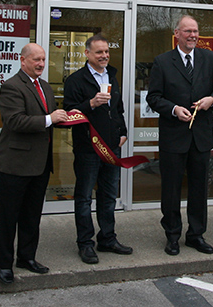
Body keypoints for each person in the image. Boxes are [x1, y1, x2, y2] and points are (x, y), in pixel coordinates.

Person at [146, 15, 213, 256]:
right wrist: (173, 109)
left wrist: (211, 100)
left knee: (199, 189)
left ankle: (196, 235)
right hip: (174, 136)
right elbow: (153, 97)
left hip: (201, 137)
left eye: (196, 31)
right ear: (177, 34)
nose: (193, 35)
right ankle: (172, 236)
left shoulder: (209, 58)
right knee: (171, 190)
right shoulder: (162, 62)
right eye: (188, 31)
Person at [0, 42, 69, 284]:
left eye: (43, 60)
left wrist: (75, 115)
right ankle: (5, 265)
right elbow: (15, 121)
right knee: (8, 218)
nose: (41, 64)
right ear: (22, 60)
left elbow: (54, 117)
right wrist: (49, 118)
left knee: (31, 216)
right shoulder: (11, 86)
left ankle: (26, 257)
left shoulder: (45, 87)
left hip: (39, 165)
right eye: (36, 59)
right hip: (14, 164)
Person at [63, 34, 133, 265]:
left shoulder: (112, 76)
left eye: (107, 52)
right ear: (87, 54)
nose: (104, 56)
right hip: (87, 149)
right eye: (99, 52)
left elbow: (118, 108)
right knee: (84, 198)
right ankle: (85, 243)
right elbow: (68, 115)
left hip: (112, 147)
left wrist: (123, 132)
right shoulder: (75, 80)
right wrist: (90, 104)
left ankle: (107, 239)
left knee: (108, 196)